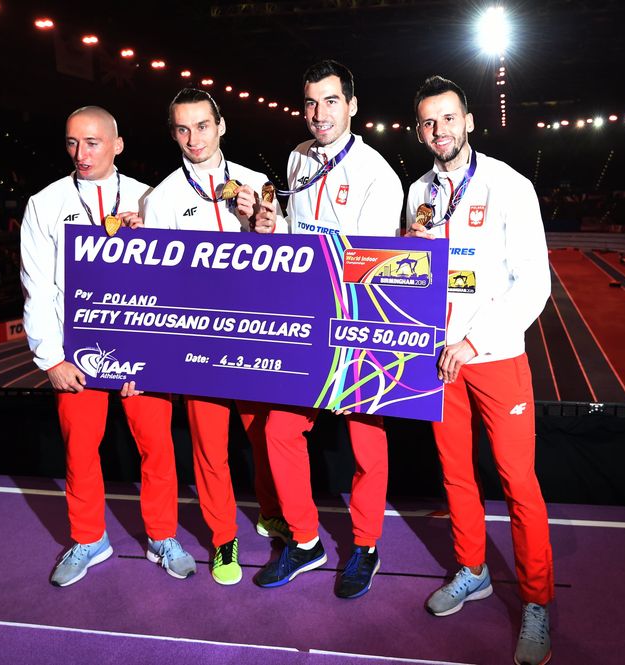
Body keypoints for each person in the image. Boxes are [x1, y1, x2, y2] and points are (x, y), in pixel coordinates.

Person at [405, 76, 554, 665]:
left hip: (494, 358)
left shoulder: (509, 185)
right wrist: (407, 250)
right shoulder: (419, 189)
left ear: (468, 120)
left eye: (447, 118)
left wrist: (473, 339)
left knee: (519, 484)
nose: (437, 130)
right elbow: (417, 277)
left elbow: (534, 284)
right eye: (427, 122)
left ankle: (537, 601)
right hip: (438, 360)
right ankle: (472, 570)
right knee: (456, 476)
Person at [20, 106, 196, 587]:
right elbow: (36, 286)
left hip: (143, 355)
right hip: (76, 355)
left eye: (93, 142)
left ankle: (162, 535)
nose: (82, 153)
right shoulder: (45, 202)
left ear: (118, 145)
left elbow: (175, 283)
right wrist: (50, 358)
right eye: (73, 142)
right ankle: (89, 538)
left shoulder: (151, 198)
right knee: (80, 451)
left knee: (157, 449)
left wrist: (158, 356)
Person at [253, 60, 403, 599]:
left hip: (360, 325)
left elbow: (373, 264)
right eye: (311, 102)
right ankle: (307, 541)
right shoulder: (297, 158)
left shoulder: (378, 174)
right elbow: (300, 235)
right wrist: (276, 229)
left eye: (331, 101)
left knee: (367, 447)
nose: (319, 114)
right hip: (306, 323)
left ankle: (365, 546)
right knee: (279, 431)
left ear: (352, 106)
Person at [141, 88, 290, 586]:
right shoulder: (160, 198)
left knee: (266, 436)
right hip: (197, 344)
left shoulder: (256, 183)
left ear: (221, 125)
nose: (193, 138)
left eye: (202, 126)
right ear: (173, 133)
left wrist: (265, 227)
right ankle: (224, 536)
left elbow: (289, 258)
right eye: (182, 129)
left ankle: (273, 513)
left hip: (255, 335)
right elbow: (156, 283)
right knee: (210, 448)